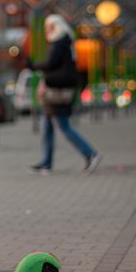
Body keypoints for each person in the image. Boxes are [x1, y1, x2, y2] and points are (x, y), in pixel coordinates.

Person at [27, 14, 101, 176]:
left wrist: (33, 65)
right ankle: (46, 163)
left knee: (63, 126)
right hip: (60, 90)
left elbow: (51, 63)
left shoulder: (59, 43)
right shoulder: (66, 42)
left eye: (48, 27)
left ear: (55, 27)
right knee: (47, 125)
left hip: (57, 91)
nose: (46, 30)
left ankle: (90, 153)